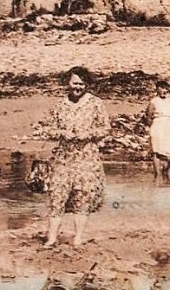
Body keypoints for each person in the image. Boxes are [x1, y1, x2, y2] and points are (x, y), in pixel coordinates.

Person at [35, 67, 111, 247]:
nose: (78, 87)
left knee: (83, 197)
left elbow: (105, 128)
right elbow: (47, 129)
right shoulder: (59, 105)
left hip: (87, 158)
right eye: (75, 83)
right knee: (57, 195)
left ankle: (78, 238)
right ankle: (52, 238)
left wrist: (89, 134)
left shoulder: (95, 103)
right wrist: (62, 132)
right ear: (68, 83)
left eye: (82, 84)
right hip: (63, 158)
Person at [146, 80, 170, 181]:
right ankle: (157, 174)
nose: (164, 90)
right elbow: (149, 116)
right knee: (156, 150)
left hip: (168, 124)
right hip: (157, 124)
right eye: (162, 88)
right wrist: (151, 127)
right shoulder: (153, 101)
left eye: (166, 88)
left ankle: (165, 171)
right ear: (157, 89)